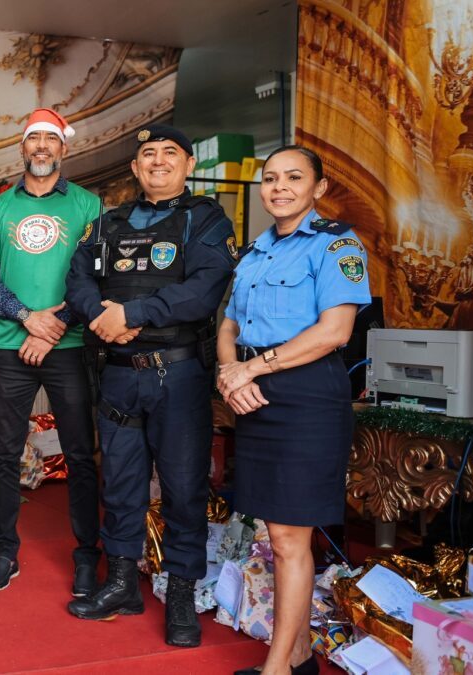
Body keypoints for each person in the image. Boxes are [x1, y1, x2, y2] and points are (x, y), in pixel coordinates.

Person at [65, 123, 236, 648]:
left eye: (169, 152)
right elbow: (78, 279)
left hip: (178, 373)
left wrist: (132, 313)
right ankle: (121, 583)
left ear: (187, 165)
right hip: (118, 373)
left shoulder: (205, 220)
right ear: (135, 169)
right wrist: (102, 318)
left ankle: (180, 589)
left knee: (184, 487)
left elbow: (205, 290)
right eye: (147, 154)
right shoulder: (109, 222)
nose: (158, 160)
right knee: (119, 481)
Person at [217, 145, 369, 675]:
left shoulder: (335, 246)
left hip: (307, 396)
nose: (280, 187)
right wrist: (228, 374)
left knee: (288, 537)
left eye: (294, 177)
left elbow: (336, 332)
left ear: (318, 188)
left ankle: (279, 666)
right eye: (271, 178)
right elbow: (229, 326)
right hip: (255, 394)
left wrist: (251, 371)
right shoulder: (255, 254)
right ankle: (299, 653)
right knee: (275, 533)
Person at [0, 108, 102, 594]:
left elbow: (95, 275)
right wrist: (28, 319)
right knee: (5, 452)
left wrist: (53, 326)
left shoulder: (88, 205)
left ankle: (87, 554)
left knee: (80, 454)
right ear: (22, 148)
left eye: (51, 139)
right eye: (34, 140)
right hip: (11, 346)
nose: (42, 147)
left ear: (64, 149)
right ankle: (6, 552)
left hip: (69, 348)